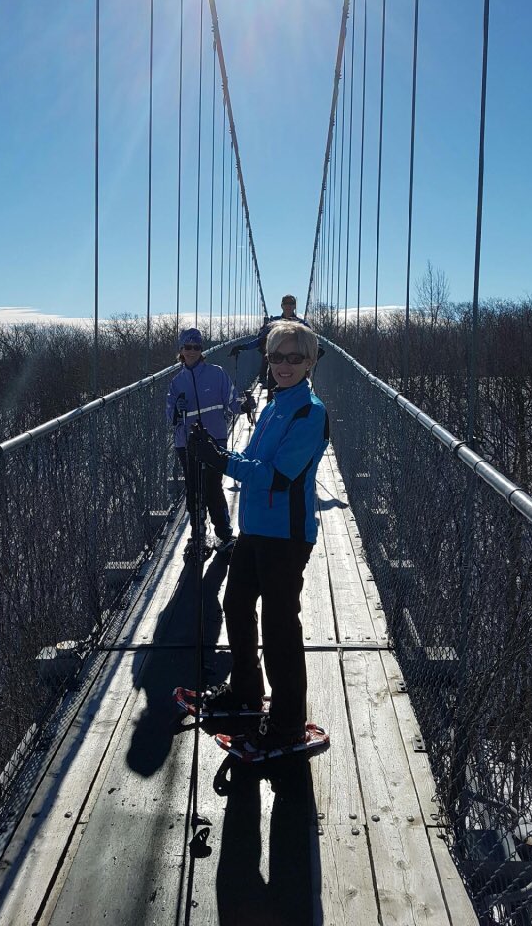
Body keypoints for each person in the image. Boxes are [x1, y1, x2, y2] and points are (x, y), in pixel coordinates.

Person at [188, 322, 329, 754]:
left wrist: (222, 463)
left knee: (280, 627)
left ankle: (287, 725)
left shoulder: (309, 413)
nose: (284, 365)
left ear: (309, 362)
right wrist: (221, 453)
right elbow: (251, 458)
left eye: (294, 357)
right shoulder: (274, 405)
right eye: (276, 356)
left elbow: (280, 477)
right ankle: (246, 692)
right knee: (235, 605)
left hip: (286, 536)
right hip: (254, 529)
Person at [166, 327, 254, 560]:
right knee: (194, 489)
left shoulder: (217, 373)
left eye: (196, 347)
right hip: (186, 442)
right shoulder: (176, 382)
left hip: (214, 439)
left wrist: (244, 406)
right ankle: (198, 535)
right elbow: (169, 416)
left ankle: (224, 535)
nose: (192, 351)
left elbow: (232, 401)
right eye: (187, 347)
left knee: (213, 487)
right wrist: (176, 411)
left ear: (202, 350)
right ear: (181, 350)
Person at [229, 295, 310, 400]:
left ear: (295, 306)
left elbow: (311, 341)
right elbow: (261, 340)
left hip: (296, 365)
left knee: (297, 398)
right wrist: (242, 347)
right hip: (277, 364)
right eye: (286, 303)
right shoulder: (273, 324)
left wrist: (318, 349)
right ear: (281, 306)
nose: (288, 306)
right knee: (272, 397)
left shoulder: (302, 324)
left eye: (291, 303)